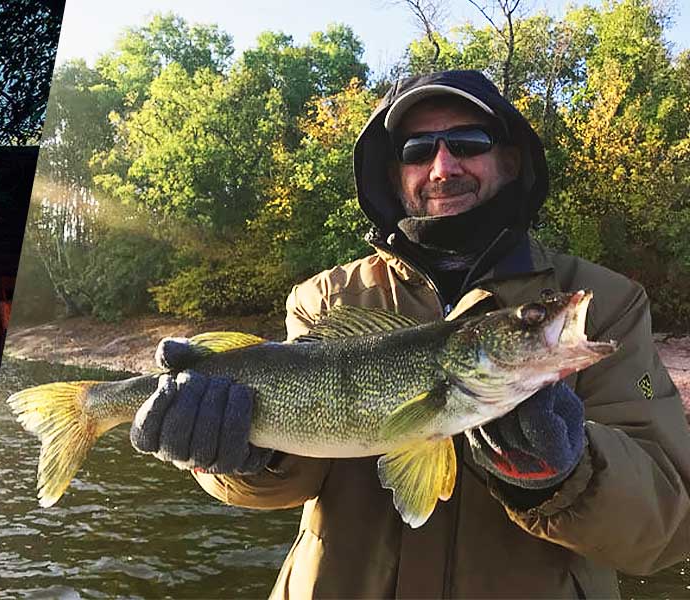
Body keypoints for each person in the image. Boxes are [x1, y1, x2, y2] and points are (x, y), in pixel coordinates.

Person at [130, 70, 690, 598]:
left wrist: (566, 475)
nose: (442, 167)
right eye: (417, 151)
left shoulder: (609, 302)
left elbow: (669, 526)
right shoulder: (325, 299)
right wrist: (234, 460)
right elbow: (292, 478)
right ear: (394, 175)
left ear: (512, 159)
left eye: (468, 142)